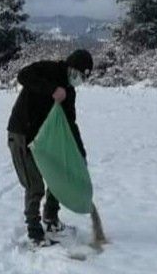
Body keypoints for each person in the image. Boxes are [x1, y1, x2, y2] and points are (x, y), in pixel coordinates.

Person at [7, 49, 93, 246]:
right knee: (34, 184)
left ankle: (51, 218)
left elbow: (70, 123)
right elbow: (23, 75)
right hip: (21, 134)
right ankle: (35, 232)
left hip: (44, 138)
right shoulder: (48, 69)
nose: (78, 79)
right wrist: (52, 89)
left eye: (83, 78)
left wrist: (80, 153)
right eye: (78, 74)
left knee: (59, 172)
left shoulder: (69, 92)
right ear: (71, 67)